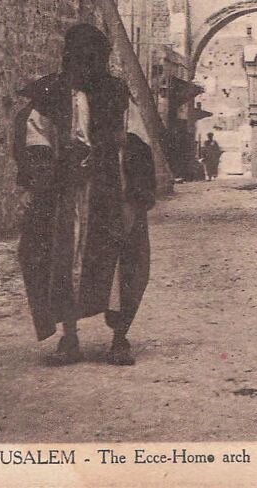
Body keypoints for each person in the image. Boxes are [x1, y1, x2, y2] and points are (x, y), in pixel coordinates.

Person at [14, 23, 130, 365]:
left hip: (109, 189)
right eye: (81, 59)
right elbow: (35, 140)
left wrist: (133, 188)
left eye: (94, 59)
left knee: (118, 259)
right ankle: (69, 336)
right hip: (65, 193)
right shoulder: (50, 94)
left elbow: (132, 140)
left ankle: (120, 337)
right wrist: (45, 177)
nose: (87, 66)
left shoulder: (116, 93)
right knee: (62, 258)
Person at [103, 126, 156, 365]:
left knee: (133, 273)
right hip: (99, 217)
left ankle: (120, 335)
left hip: (132, 215)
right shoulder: (96, 149)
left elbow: (148, 189)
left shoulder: (138, 148)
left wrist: (134, 206)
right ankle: (70, 337)